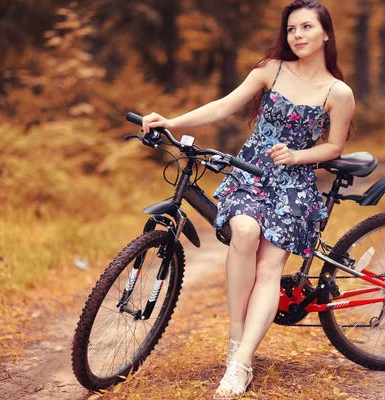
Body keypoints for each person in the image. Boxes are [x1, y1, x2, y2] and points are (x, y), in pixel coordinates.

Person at [142, 0, 355, 398]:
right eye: (291, 29)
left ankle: (241, 366)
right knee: (243, 232)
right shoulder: (270, 70)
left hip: (294, 182)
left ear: (326, 34)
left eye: (307, 28)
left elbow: (333, 147)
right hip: (252, 169)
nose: (298, 36)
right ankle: (236, 341)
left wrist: (297, 156)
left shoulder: (338, 92)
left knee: (270, 266)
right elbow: (224, 106)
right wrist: (172, 121)